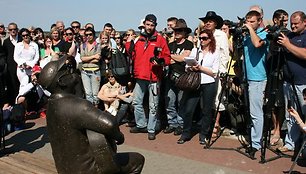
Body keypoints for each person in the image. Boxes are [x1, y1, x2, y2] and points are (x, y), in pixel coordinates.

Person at [38, 55, 145, 174]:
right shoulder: (77, 106)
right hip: (89, 170)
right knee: (137, 160)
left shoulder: (52, 106)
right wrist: (119, 137)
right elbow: (109, 124)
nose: (72, 71)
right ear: (62, 81)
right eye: (68, 70)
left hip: (65, 169)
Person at [125, 14, 171, 140]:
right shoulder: (138, 39)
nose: (150, 27)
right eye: (148, 24)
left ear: (155, 25)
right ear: (144, 24)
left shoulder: (160, 39)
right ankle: (141, 125)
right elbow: (131, 55)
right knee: (136, 102)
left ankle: (151, 129)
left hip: (154, 78)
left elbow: (167, 57)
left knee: (153, 106)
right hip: (140, 77)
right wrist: (128, 42)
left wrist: (160, 61)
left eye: (152, 25)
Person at [177, 29, 219, 145]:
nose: (202, 40)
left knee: (206, 110)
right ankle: (185, 133)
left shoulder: (214, 52)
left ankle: (203, 134)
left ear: (210, 39)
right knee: (189, 109)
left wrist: (200, 68)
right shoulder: (195, 50)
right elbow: (186, 67)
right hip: (194, 83)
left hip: (208, 83)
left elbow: (215, 72)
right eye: (200, 38)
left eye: (204, 38)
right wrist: (192, 67)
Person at [277, 11, 306, 153]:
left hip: (303, 83)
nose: (293, 26)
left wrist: (288, 45)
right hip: (288, 82)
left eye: (296, 24)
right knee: (291, 114)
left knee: (304, 114)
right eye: (291, 24)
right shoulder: (288, 36)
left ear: (304, 22)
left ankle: (303, 145)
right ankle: (290, 143)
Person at [199, 11, 230, 138]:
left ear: (215, 23)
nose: (207, 23)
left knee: (217, 99)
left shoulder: (221, 35)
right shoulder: (202, 35)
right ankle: (207, 124)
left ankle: (216, 124)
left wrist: (223, 72)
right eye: (206, 21)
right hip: (203, 71)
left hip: (217, 72)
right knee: (204, 101)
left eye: (210, 21)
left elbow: (225, 54)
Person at [243, 10, 269, 158]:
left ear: (259, 21)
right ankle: (254, 139)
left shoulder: (263, 34)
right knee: (251, 112)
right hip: (248, 78)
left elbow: (257, 44)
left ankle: (256, 143)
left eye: (252, 21)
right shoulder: (247, 36)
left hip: (258, 79)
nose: (248, 24)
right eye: (247, 21)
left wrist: (250, 29)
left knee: (256, 113)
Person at [163, 19, 193, 136]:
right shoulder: (170, 44)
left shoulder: (188, 44)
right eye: (176, 30)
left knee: (181, 103)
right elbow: (167, 60)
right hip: (170, 77)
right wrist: (176, 58)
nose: (177, 32)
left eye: (180, 30)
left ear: (185, 32)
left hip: (183, 77)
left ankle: (181, 125)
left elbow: (183, 58)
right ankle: (172, 124)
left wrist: (171, 56)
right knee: (169, 102)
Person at [265, 9, 289, 147]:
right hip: (270, 70)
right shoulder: (268, 33)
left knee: (280, 104)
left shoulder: (287, 34)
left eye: (286, 21)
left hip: (282, 72)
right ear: (275, 20)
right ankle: (274, 127)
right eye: (283, 20)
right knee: (271, 102)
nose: (285, 23)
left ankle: (278, 130)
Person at [80, 27, 101, 106]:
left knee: (95, 94)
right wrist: (93, 56)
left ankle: (95, 109)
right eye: (87, 35)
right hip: (85, 72)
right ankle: (90, 111)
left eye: (90, 34)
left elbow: (97, 59)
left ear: (94, 35)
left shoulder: (98, 45)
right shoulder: (83, 46)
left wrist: (86, 59)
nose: (88, 36)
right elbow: (82, 58)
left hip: (95, 72)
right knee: (88, 94)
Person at [3, 22, 20, 106]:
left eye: (14, 29)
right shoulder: (6, 42)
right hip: (11, 67)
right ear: (8, 31)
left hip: (21, 67)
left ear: (17, 30)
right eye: (11, 29)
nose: (13, 31)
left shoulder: (22, 40)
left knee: (21, 86)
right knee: (11, 85)